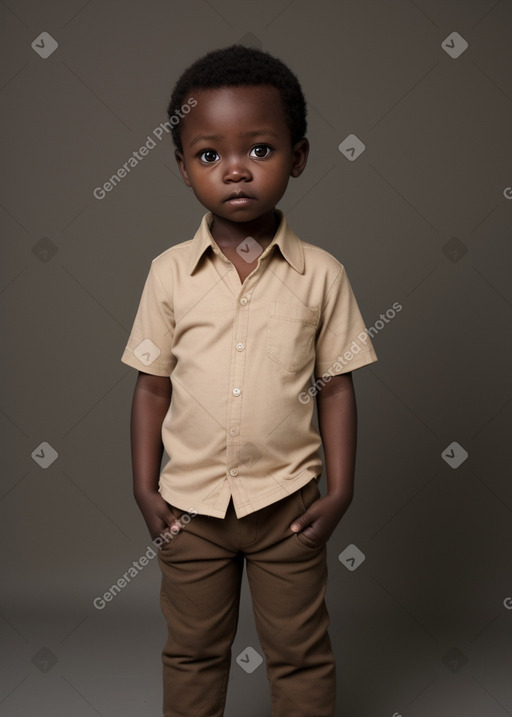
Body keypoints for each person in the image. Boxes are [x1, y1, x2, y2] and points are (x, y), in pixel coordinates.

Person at [120, 44, 378, 717]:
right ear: (183, 168)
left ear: (298, 156)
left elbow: (338, 387)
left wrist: (341, 488)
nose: (235, 169)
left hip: (289, 509)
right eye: (209, 155)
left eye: (260, 149)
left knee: (300, 653)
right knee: (193, 651)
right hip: (190, 514)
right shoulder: (168, 274)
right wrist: (145, 487)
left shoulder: (323, 275)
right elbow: (151, 386)